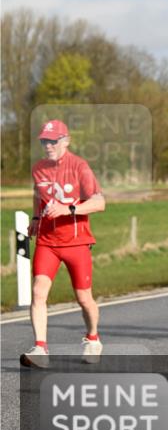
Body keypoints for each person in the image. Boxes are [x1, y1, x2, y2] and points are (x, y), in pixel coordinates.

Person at [21, 120, 107, 368]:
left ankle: (92, 338)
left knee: (84, 299)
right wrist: (36, 217)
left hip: (76, 243)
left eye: (53, 141)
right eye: (44, 141)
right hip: (47, 242)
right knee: (38, 292)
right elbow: (39, 193)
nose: (47, 146)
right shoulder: (38, 168)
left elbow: (99, 203)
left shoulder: (80, 166)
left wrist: (68, 208)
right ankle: (40, 348)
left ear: (66, 141)